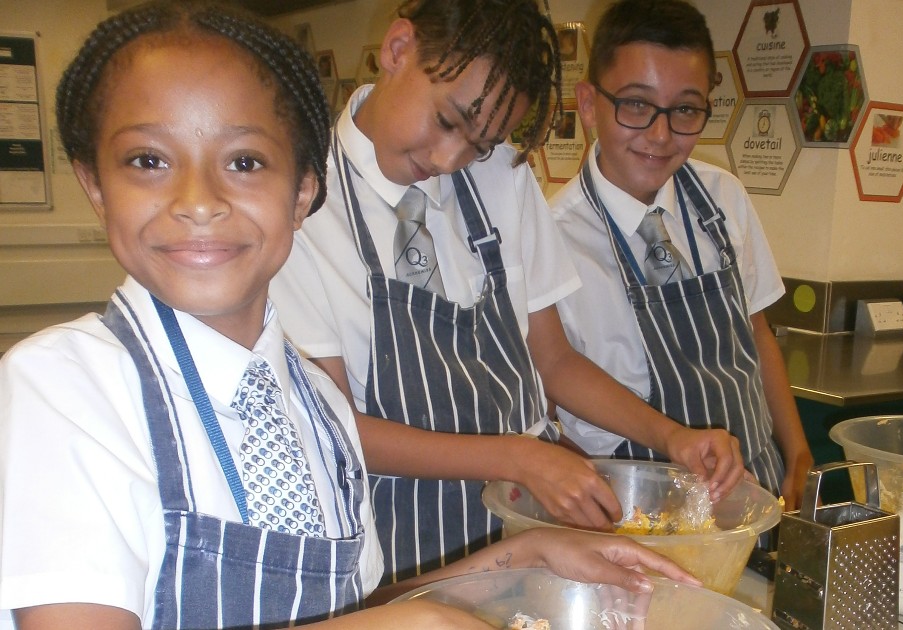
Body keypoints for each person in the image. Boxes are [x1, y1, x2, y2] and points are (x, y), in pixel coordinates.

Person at [0, 3, 701, 628]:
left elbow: (354, 609)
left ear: (304, 192)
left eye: (244, 162)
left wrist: (524, 557)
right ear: (94, 183)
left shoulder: (316, 412)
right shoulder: (64, 388)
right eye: (148, 159)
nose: (199, 199)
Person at [269, 0, 744, 585]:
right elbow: (336, 431)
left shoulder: (501, 178)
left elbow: (554, 360)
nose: (450, 159)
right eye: (449, 121)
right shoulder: (298, 206)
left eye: (481, 142)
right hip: (402, 552)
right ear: (398, 50)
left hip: (528, 533)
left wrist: (671, 437)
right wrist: (518, 455)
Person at [549, 0, 813, 515]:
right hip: (635, 515)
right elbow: (549, 402)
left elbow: (757, 333)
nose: (661, 134)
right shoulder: (553, 238)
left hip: (753, 497)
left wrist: (798, 454)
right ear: (587, 103)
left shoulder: (723, 199)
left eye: (685, 110)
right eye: (636, 105)